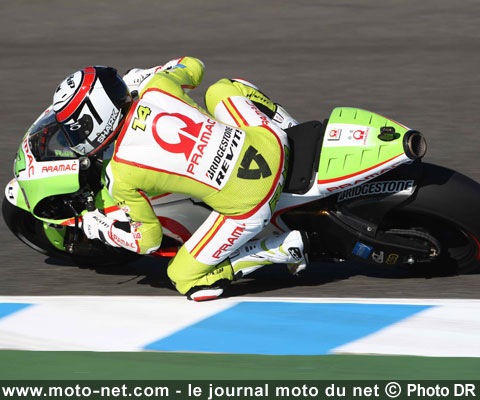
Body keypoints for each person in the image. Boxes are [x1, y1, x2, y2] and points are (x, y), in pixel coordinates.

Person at [52, 57, 308, 301]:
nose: (75, 138)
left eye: (75, 130)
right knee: (223, 88)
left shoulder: (120, 175)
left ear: (94, 121)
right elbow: (194, 66)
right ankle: (293, 131)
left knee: (182, 276)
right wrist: (149, 74)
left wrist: (102, 228)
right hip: (272, 141)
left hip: (251, 203)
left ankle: (277, 249)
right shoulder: (157, 86)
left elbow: (148, 242)